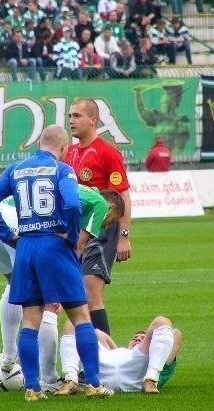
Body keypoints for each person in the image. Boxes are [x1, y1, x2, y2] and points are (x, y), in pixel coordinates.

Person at [0, 125, 114, 401]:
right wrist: (72, 235)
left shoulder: (16, 169)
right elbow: (75, 204)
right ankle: (93, 383)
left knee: (30, 319)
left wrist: (8, 236)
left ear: (39, 143)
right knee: (80, 315)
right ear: (64, 147)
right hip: (54, 246)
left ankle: (32, 387)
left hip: (26, 245)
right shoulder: (63, 170)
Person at [0, 186, 124, 392]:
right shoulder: (99, 204)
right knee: (47, 305)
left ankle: (7, 357)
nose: (106, 225)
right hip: (24, 225)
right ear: (111, 206)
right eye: (111, 220)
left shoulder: (79, 190)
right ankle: (49, 379)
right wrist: (60, 283)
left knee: (12, 283)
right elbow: (77, 248)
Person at [65, 98, 132, 336]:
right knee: (75, 297)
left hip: (102, 231)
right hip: (75, 231)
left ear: (93, 120)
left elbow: (122, 195)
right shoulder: (69, 152)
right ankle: (84, 362)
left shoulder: (107, 152)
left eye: (77, 116)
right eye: (70, 116)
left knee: (90, 293)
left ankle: (105, 360)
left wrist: (124, 235)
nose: (71, 120)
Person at [55, 315, 181, 395]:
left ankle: (151, 379)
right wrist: (113, 347)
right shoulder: (115, 352)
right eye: (135, 337)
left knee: (162, 321)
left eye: (142, 338)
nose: (137, 338)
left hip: (137, 372)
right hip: (102, 369)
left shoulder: (149, 357)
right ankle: (71, 380)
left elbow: (176, 334)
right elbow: (97, 332)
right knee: (73, 322)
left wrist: (150, 343)